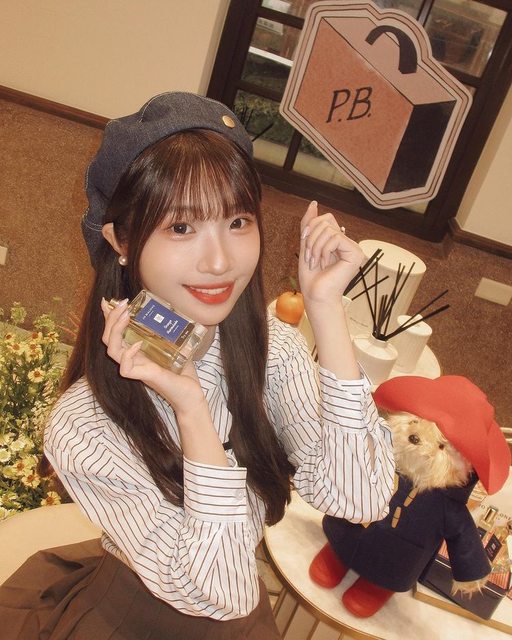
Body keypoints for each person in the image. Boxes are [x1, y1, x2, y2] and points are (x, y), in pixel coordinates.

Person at [0, 92, 395, 639]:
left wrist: (326, 308)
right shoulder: (85, 423)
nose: (220, 261)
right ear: (119, 240)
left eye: (238, 221)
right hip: (133, 619)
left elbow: (359, 497)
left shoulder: (271, 352)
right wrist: (191, 408)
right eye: (181, 228)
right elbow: (220, 593)